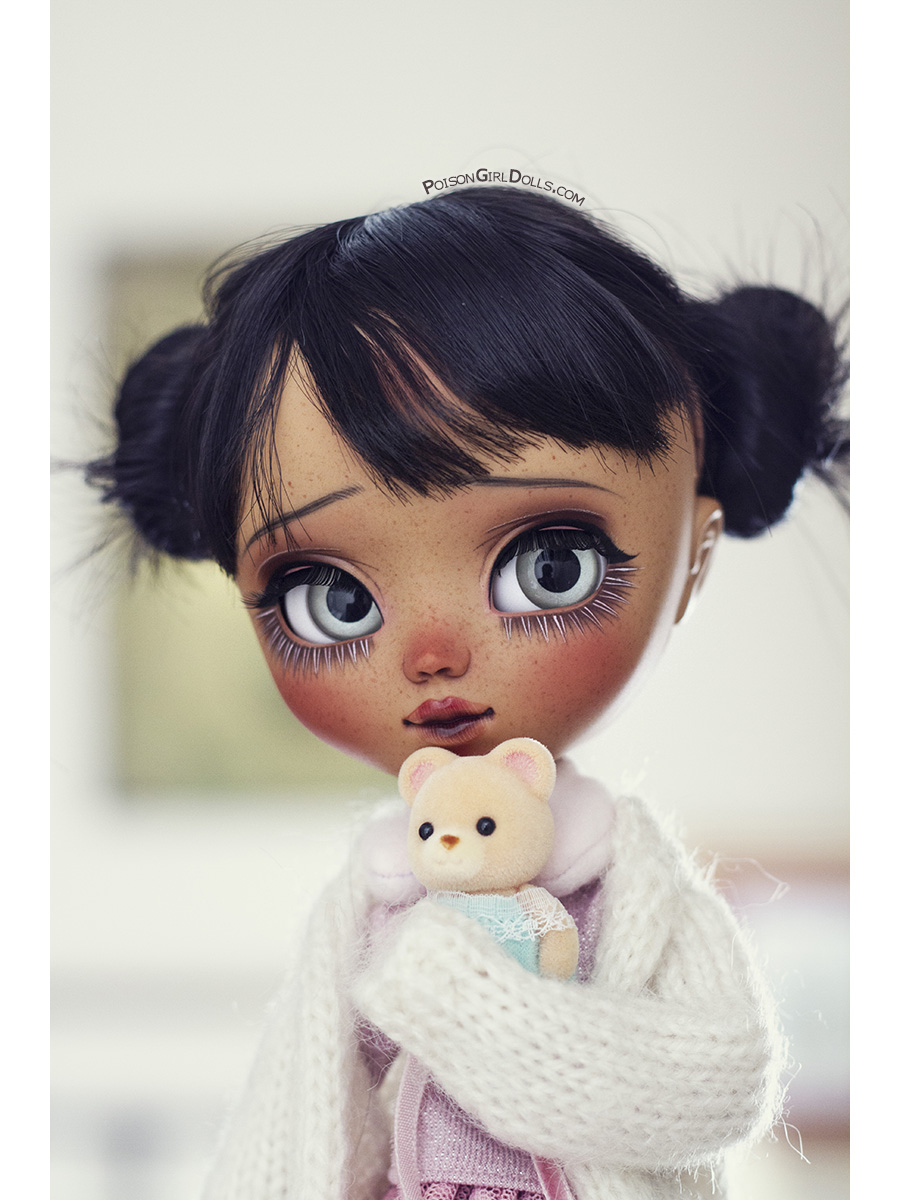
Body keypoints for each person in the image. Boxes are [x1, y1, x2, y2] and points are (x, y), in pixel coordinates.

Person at [87, 185, 848, 1200]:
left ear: (694, 558)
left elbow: (715, 1082)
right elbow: (295, 1112)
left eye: (549, 565)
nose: (434, 653)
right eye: (331, 599)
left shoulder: (629, 883)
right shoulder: (377, 887)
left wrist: (462, 1001)